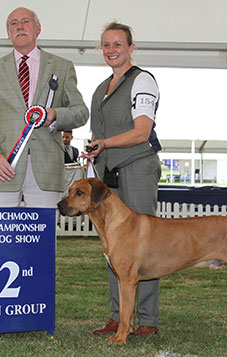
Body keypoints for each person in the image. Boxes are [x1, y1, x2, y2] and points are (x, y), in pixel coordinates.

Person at [81, 22, 161, 337]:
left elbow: (142, 131)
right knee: (114, 247)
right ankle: (119, 318)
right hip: (108, 173)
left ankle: (147, 320)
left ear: (130, 48)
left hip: (137, 167)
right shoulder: (101, 88)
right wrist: (93, 153)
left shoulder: (142, 80)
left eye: (117, 44)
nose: (111, 50)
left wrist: (106, 143)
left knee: (146, 248)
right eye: (106, 45)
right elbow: (97, 135)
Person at [0, 7, 89, 208]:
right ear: (8, 33)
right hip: (4, 169)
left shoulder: (62, 66)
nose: (20, 27)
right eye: (13, 23)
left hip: (47, 170)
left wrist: (55, 115)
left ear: (38, 28)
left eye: (25, 22)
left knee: (43, 237)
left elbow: (81, 112)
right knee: (2, 239)